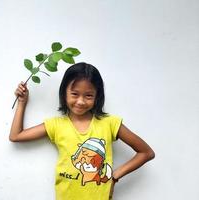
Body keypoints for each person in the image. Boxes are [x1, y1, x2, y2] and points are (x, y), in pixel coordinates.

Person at [9, 62, 155, 200]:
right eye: (74, 94)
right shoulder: (55, 125)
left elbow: (146, 153)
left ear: (97, 96)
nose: (80, 101)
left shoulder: (110, 123)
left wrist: (115, 176)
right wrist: (22, 103)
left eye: (88, 95)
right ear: (64, 92)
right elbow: (16, 135)